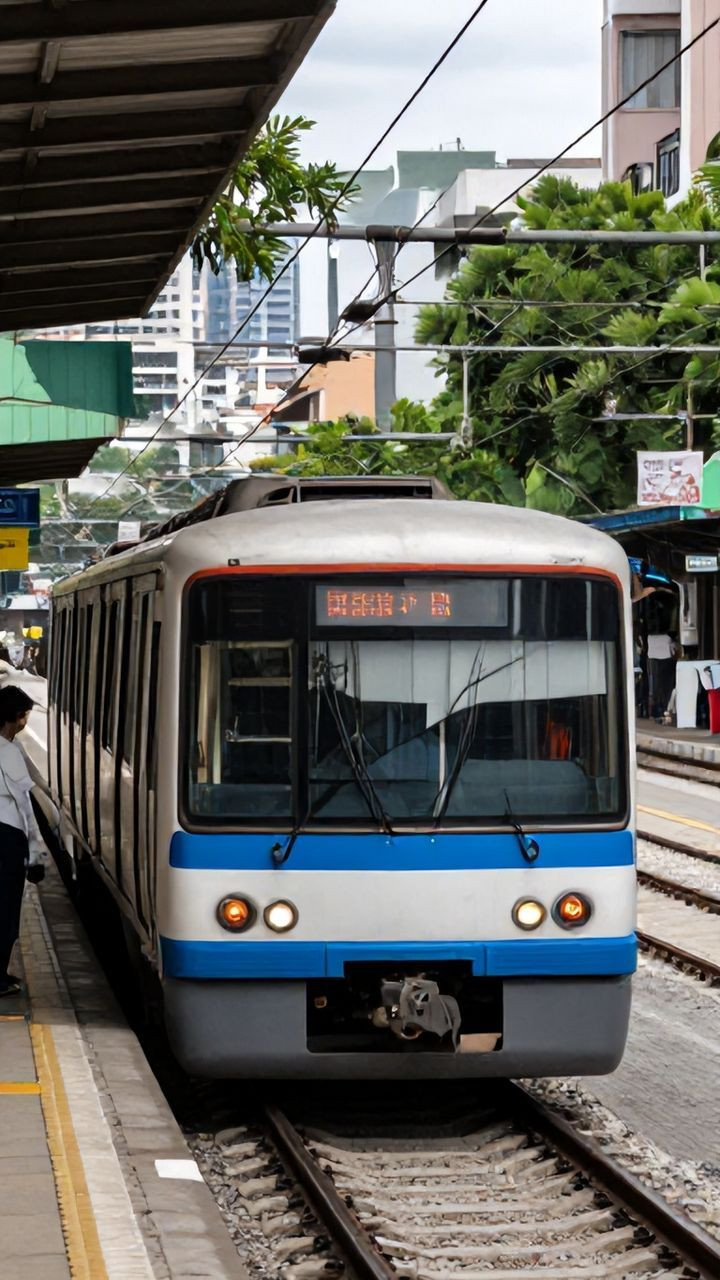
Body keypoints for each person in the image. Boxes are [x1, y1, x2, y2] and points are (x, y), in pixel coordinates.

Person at [0, 686, 46, 997]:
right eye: (26, 715)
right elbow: (25, 806)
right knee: (5, 909)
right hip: (6, 838)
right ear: (16, 718)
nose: (26, 721)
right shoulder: (9, 752)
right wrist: (36, 856)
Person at [647, 631, 679, 721]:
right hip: (667, 660)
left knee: (655, 687)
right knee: (666, 687)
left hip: (653, 659)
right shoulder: (668, 639)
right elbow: (675, 651)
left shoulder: (652, 637)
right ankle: (664, 709)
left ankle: (655, 711)